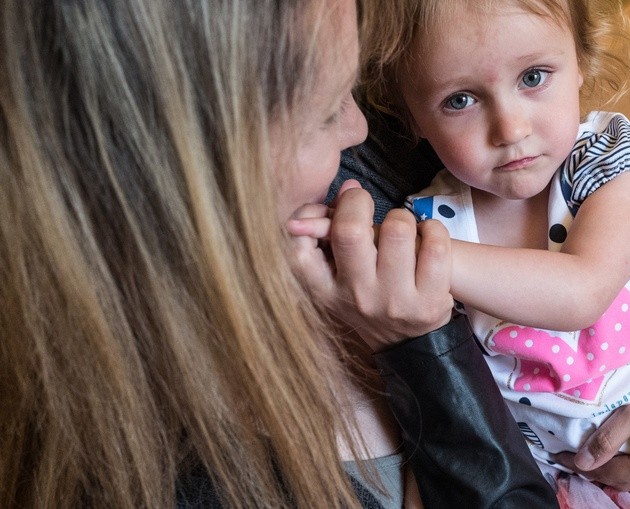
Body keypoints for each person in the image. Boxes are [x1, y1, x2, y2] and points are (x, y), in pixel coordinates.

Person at [0, 1, 558, 508]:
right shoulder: (154, 475)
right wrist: (423, 349)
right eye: (323, 111)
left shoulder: (362, 166)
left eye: (353, 87)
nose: (359, 126)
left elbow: (572, 187)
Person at [326, 0, 630, 499]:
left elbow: (580, 292)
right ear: (411, 117)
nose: (510, 129)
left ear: (582, 62)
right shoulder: (426, 214)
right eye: (460, 100)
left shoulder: (614, 161)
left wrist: (406, 253)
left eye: (533, 77)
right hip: (558, 477)